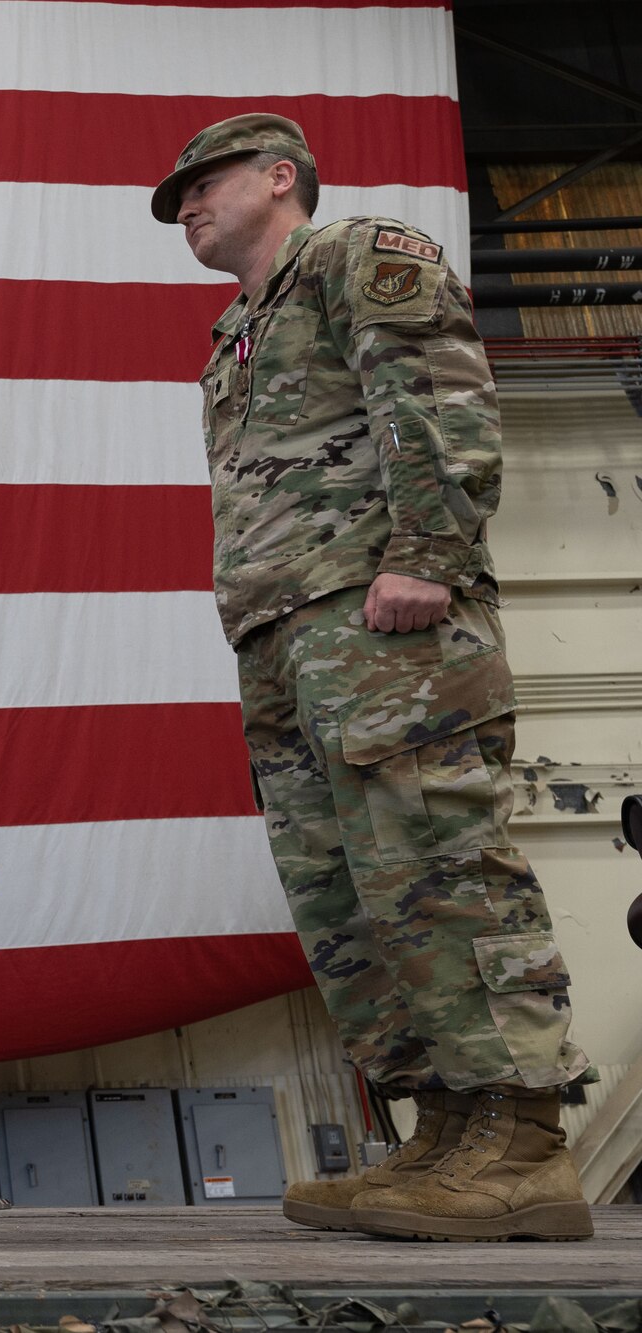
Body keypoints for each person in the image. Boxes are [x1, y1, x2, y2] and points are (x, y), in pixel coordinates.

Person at [156, 113, 592, 1242]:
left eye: (202, 184)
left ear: (277, 177)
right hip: (288, 640)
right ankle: (444, 1128)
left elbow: (436, 401)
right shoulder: (234, 330)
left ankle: (521, 1139)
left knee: (440, 858)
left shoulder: (359, 255)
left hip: (382, 620)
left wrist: (424, 557)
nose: (185, 206)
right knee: (350, 892)